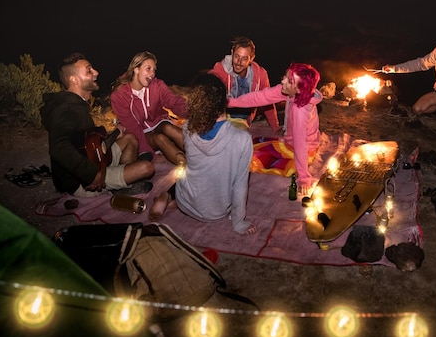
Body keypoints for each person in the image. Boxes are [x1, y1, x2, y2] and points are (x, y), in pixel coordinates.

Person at [148, 73, 257, 235]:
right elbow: (240, 185)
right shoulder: (243, 140)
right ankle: (171, 200)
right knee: (237, 176)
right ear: (224, 101)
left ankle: (168, 197)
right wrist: (238, 222)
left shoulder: (188, 129)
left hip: (187, 203)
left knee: (188, 173)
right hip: (217, 212)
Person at [40, 53, 154, 197]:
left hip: (94, 159)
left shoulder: (78, 103)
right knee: (147, 168)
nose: (96, 72)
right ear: (74, 80)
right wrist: (92, 175)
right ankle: (119, 183)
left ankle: (122, 183)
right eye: (89, 70)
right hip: (81, 182)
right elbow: (59, 147)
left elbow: (88, 143)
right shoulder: (67, 109)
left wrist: (116, 133)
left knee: (130, 138)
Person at [227, 62, 322, 196]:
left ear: (299, 89)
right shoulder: (291, 92)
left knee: (248, 158)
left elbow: (301, 144)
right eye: (285, 76)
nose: (282, 80)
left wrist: (304, 178)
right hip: (290, 141)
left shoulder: (300, 111)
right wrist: (232, 102)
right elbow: (261, 97)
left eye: (288, 80)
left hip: (304, 149)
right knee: (250, 145)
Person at [110, 51, 188, 164]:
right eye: (148, 68)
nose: (152, 74)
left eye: (154, 70)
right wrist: (145, 151)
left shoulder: (157, 85)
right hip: (141, 133)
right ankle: (185, 165)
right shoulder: (120, 96)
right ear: (136, 69)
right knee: (160, 138)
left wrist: (194, 111)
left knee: (169, 128)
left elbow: (173, 101)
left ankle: (198, 154)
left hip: (158, 123)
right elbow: (132, 126)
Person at [209, 36, 281, 133]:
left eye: (244, 58)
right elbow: (211, 80)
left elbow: (268, 102)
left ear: (251, 59)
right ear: (232, 53)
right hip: (222, 116)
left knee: (238, 134)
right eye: (236, 56)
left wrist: (275, 127)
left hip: (242, 120)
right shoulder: (222, 68)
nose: (238, 62)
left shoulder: (260, 75)